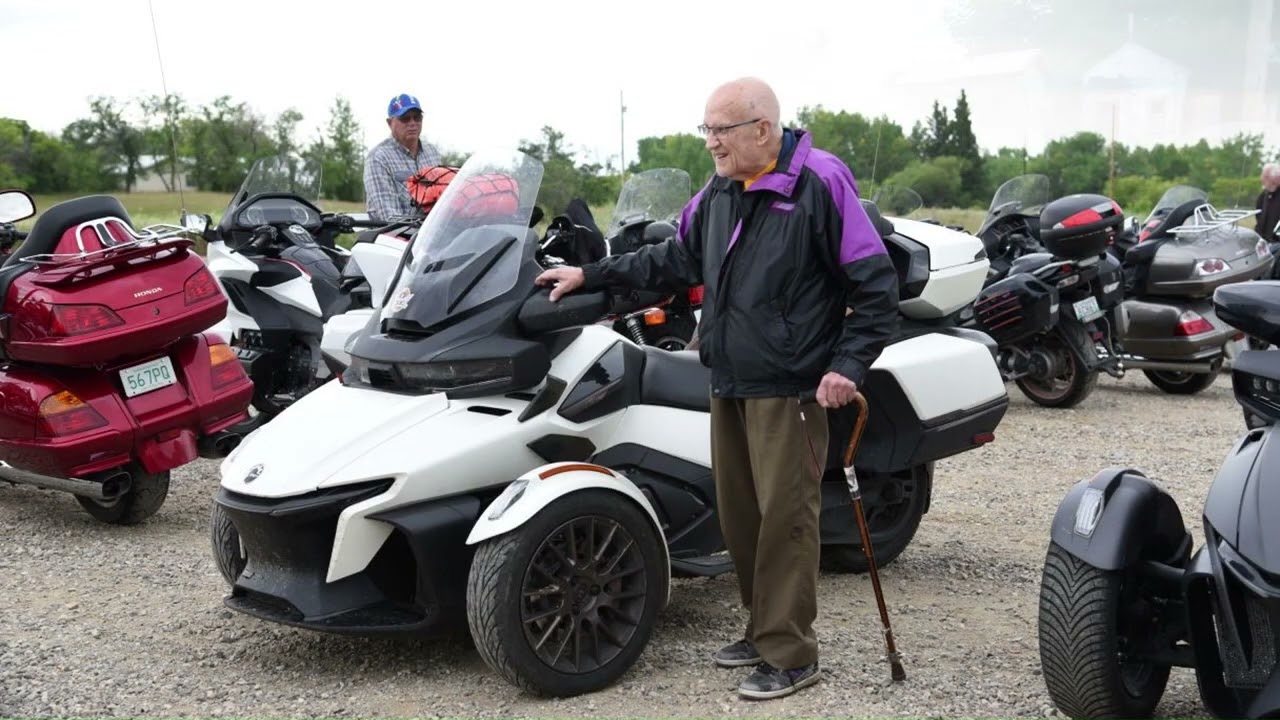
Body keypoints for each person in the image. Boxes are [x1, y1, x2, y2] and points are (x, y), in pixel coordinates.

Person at [533, 77, 899, 700]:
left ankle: (792, 653)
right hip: (728, 379)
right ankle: (762, 631)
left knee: (786, 522)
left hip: (791, 388)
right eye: (706, 129)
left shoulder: (820, 182)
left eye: (720, 129)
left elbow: (876, 287)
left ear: (763, 129)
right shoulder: (723, 189)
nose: (710, 142)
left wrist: (848, 366)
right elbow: (673, 260)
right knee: (742, 519)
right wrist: (589, 274)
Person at [363, 93, 444, 223]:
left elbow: (444, 201)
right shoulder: (378, 158)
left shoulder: (432, 152)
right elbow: (389, 216)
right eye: (405, 118)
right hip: (393, 233)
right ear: (390, 123)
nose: (412, 123)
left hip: (432, 230)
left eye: (417, 118)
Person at [1256, 163, 1280, 242]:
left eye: (1266, 177)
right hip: (1263, 241)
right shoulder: (1264, 195)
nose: (1262, 179)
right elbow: (1258, 215)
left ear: (1276, 178)